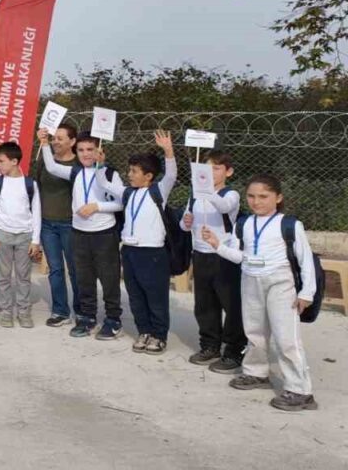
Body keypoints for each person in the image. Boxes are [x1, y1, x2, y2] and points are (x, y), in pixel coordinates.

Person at [204, 174, 317, 412]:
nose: (257, 202)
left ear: (278, 197)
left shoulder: (289, 224)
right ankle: (256, 372)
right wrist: (218, 246)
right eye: (252, 196)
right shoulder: (243, 224)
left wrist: (307, 292)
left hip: (280, 283)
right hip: (250, 280)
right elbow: (239, 256)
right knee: (254, 332)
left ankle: (300, 390)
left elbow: (305, 260)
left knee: (287, 337)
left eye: (264, 196)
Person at [39, 130, 125, 340]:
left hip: (104, 234)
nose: (86, 154)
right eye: (81, 150)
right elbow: (50, 166)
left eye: (91, 150)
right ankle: (87, 317)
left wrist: (97, 206)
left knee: (109, 279)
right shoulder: (75, 172)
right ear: (76, 151)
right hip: (79, 233)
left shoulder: (110, 173)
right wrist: (44, 143)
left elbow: (122, 201)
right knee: (83, 279)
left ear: (99, 150)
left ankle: (113, 320)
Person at [100, 130, 177, 355]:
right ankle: (144, 331)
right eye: (130, 170)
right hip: (130, 251)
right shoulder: (128, 193)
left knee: (156, 296)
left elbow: (171, 175)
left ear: (149, 175)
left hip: (152, 253)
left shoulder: (158, 191)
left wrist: (168, 151)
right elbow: (104, 183)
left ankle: (158, 335)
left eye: (134, 171)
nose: (130, 174)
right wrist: (99, 164)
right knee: (135, 295)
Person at [181, 150, 245, 372]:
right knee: (205, 304)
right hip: (200, 254)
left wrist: (206, 189)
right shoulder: (195, 196)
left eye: (216, 168)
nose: (211, 173)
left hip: (224, 255)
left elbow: (224, 207)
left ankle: (234, 350)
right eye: (207, 168)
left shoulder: (231, 194)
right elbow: (184, 224)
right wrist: (186, 221)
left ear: (228, 171)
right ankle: (209, 345)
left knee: (231, 304)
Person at [0, 142, 42, 328]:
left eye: (1, 161)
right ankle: (5, 311)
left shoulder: (30, 184)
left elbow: (37, 212)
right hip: (2, 235)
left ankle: (24, 312)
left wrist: (35, 240)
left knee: (23, 276)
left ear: (15, 161)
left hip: (25, 236)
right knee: (3, 277)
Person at [33, 124, 82, 327]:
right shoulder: (44, 161)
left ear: (72, 141)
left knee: (75, 269)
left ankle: (81, 311)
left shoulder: (79, 165)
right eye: (54, 138)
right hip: (47, 225)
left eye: (60, 138)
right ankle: (60, 311)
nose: (55, 141)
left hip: (70, 224)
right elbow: (36, 187)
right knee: (55, 269)